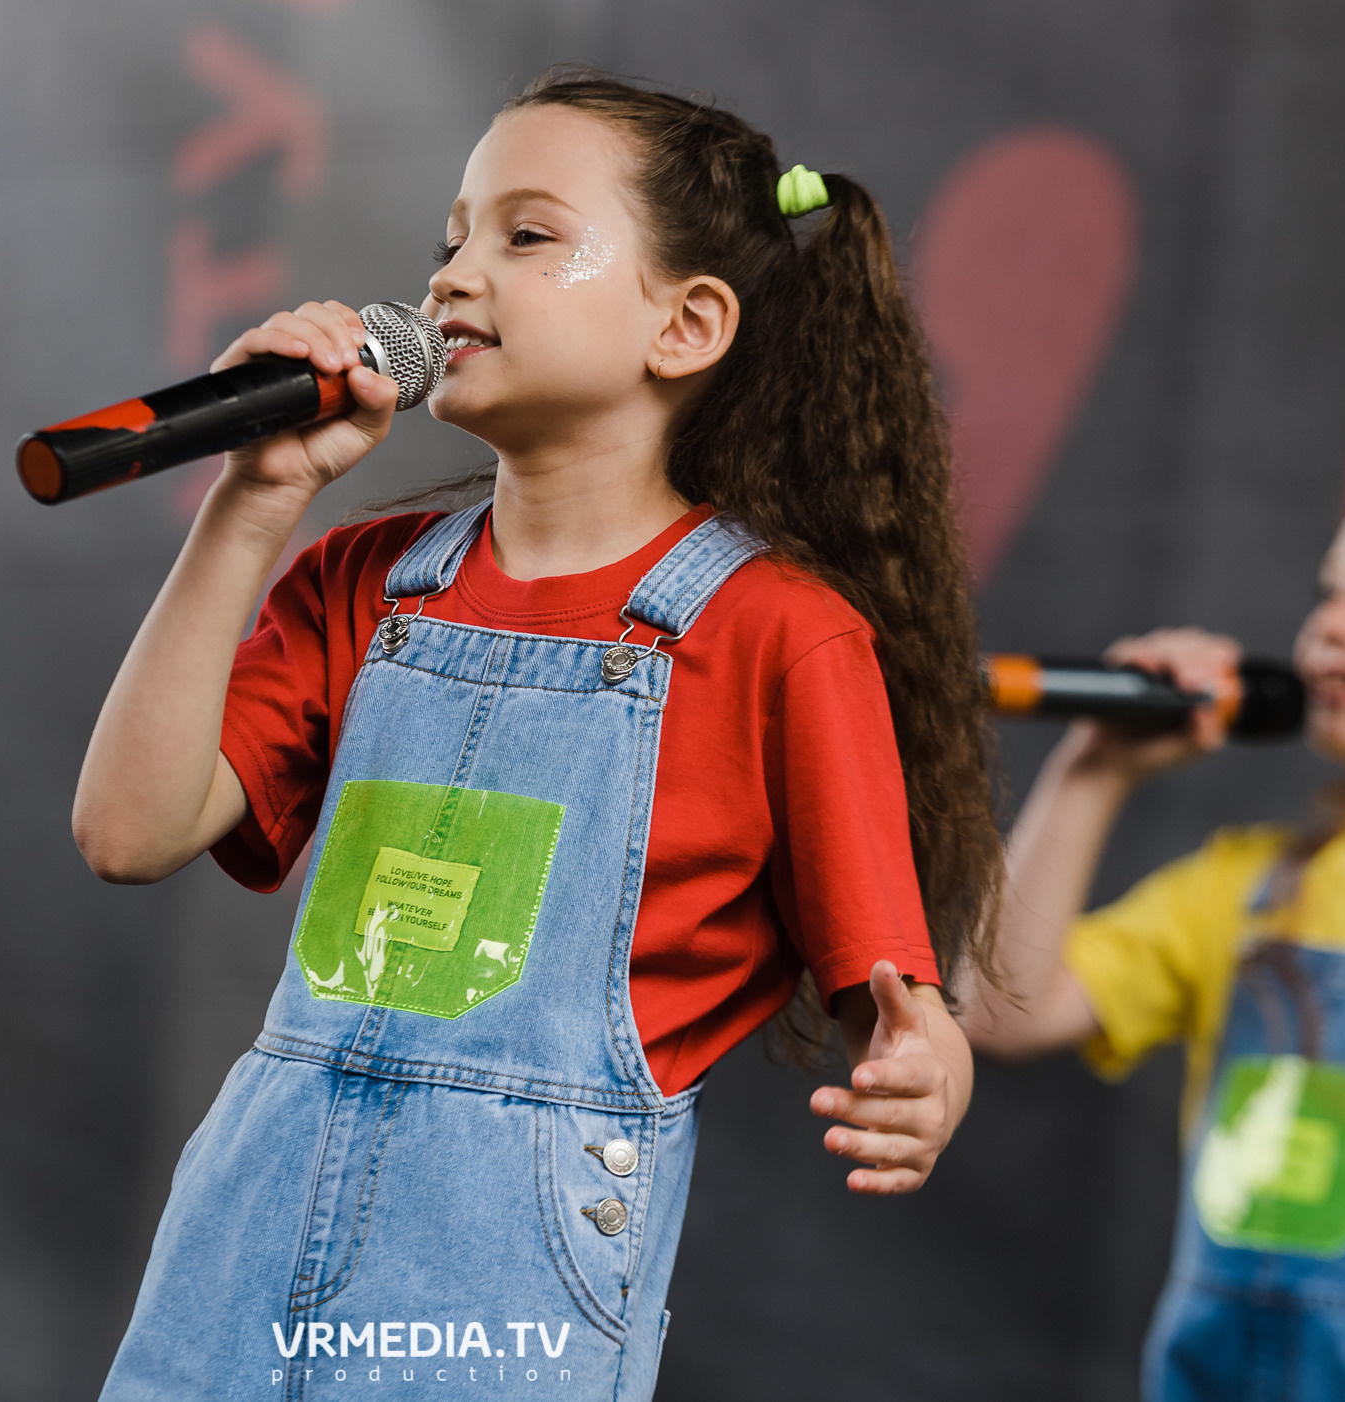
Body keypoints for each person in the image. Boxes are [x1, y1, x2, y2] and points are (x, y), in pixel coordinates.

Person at [75, 69, 1000, 1400]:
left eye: (526, 235)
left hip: (502, 1271)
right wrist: (252, 501)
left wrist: (927, 1060)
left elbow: (893, 991)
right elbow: (128, 827)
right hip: (250, 1214)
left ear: (685, 325)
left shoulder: (773, 632)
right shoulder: (364, 580)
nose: (455, 275)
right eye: (451, 237)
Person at [962, 451, 1345, 1400]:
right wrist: (1094, 770)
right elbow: (994, 1011)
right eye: (1332, 590)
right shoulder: (1240, 890)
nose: (1333, 624)